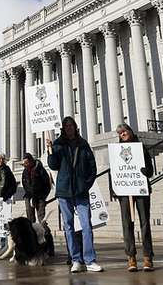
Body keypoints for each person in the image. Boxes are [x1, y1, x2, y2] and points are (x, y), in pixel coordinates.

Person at [47, 116, 102, 273]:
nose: (69, 127)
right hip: (64, 191)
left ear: (75, 127)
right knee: (69, 227)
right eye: (66, 125)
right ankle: (76, 259)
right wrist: (50, 151)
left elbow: (92, 167)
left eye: (71, 125)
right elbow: (53, 165)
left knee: (86, 226)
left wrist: (86, 184)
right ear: (63, 128)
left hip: (81, 191)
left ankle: (90, 259)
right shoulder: (58, 144)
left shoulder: (83, 144)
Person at [111, 123, 155, 272]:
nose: (122, 134)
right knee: (126, 224)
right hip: (124, 191)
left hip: (140, 189)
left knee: (144, 222)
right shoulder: (116, 151)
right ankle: (131, 257)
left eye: (124, 131)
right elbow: (114, 171)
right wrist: (114, 189)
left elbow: (150, 169)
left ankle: (148, 256)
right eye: (120, 133)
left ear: (130, 131)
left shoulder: (140, 147)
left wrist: (145, 171)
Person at [21, 152, 52, 228]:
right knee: (30, 216)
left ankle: (45, 235)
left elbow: (47, 184)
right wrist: (28, 194)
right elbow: (24, 184)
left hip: (39, 196)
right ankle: (31, 234)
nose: (25, 164)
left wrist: (43, 196)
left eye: (26, 162)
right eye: (24, 163)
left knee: (41, 217)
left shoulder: (40, 169)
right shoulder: (25, 171)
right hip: (29, 196)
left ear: (31, 161)